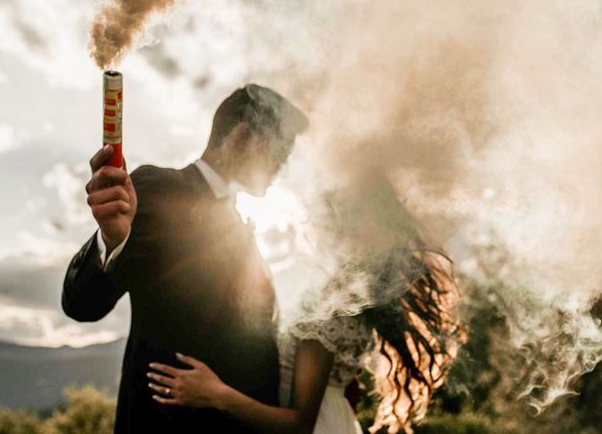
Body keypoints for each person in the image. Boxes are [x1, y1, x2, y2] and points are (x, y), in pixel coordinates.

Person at [61, 84, 308, 433]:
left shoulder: (237, 221)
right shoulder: (158, 188)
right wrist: (111, 239)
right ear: (242, 137)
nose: (281, 166)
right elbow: (83, 305)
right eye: (280, 151)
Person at [145, 174, 463, 434]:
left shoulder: (328, 300)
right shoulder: (357, 295)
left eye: (325, 212)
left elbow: (300, 423)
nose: (312, 220)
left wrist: (217, 395)